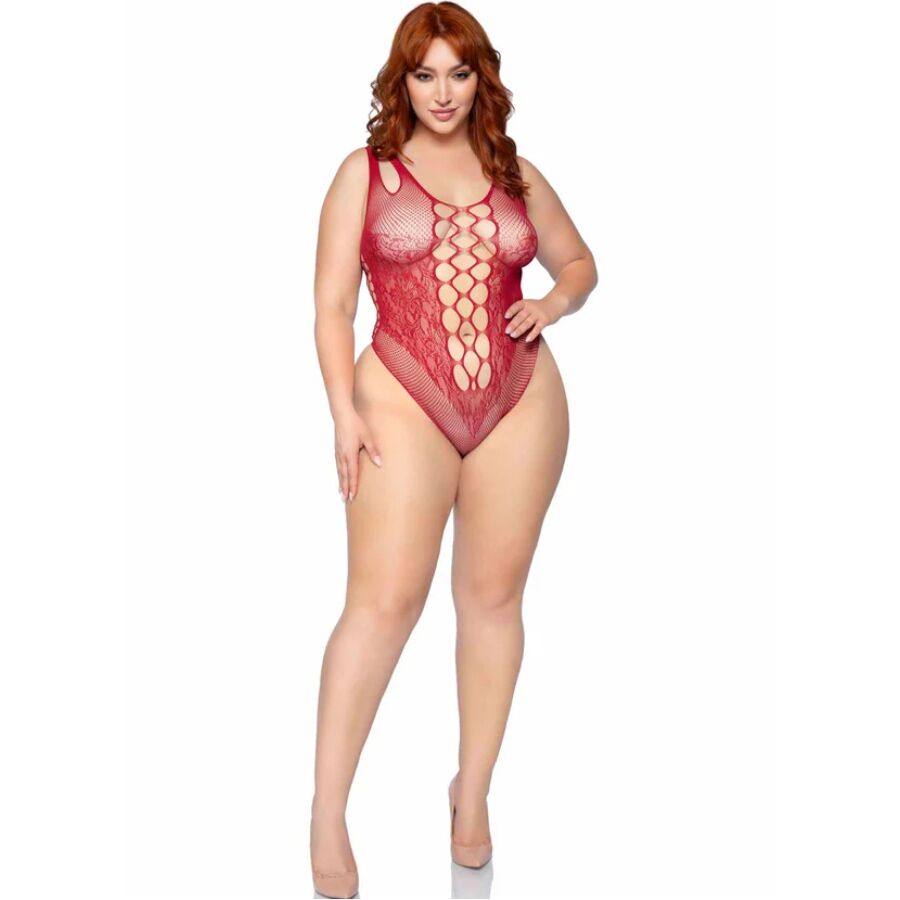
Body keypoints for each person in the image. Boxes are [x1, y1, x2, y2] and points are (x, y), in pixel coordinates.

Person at [310, 3, 597, 896]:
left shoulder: (516, 171)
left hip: (520, 397)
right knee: (383, 603)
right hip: (400, 393)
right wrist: (342, 412)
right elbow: (331, 305)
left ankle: (471, 790)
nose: (443, 93)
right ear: (402, 80)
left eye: (459, 74)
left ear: (482, 79)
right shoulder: (367, 172)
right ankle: (327, 809)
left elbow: (579, 263)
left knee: (494, 597)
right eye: (425, 74)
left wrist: (551, 303)